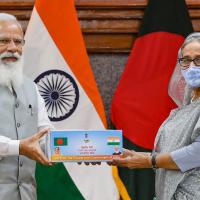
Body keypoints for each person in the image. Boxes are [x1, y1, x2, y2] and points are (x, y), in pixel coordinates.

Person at [112, 32, 200, 200]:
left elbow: (197, 153)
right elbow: (171, 153)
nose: (192, 67)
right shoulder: (185, 109)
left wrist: (149, 161)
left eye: (199, 59)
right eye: (186, 60)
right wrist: (135, 156)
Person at [0, 13, 53, 200]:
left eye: (18, 42)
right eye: (4, 41)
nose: (13, 48)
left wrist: (83, 152)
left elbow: (46, 136)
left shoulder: (32, 87)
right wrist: (19, 147)